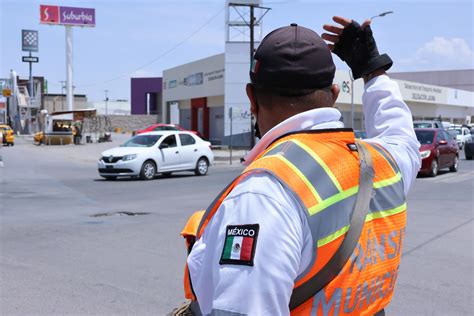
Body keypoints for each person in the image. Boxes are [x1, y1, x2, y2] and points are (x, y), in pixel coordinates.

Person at [184, 16, 420, 315]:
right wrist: (373, 72)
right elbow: (400, 134)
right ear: (334, 96)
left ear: (251, 99)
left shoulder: (263, 195)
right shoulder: (383, 162)